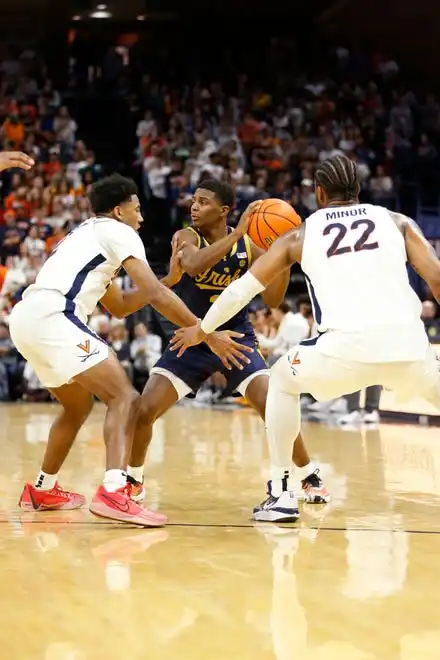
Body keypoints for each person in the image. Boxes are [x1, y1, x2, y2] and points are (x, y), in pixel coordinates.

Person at [171, 155, 440, 522]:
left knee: (281, 380)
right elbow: (437, 280)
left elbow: (239, 293)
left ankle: (282, 494)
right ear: (359, 190)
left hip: (343, 353)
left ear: (318, 192)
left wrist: (202, 329)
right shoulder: (398, 222)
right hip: (411, 351)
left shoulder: (300, 234)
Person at [9, 174, 251, 527]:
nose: (141, 218)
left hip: (27, 320)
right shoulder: (120, 232)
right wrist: (206, 332)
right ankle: (114, 491)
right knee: (125, 397)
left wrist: (168, 280)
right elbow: (153, 296)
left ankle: (43, 488)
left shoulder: (84, 235)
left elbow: (121, 305)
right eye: (137, 210)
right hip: (54, 316)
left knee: (76, 407)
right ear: (119, 211)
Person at [127, 179, 329, 516]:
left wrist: (282, 255)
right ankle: (133, 480)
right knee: (144, 410)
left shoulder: (253, 248)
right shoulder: (187, 236)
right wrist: (239, 236)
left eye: (203, 202)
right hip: (193, 337)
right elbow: (192, 265)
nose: (194, 206)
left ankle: (309, 475)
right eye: (194, 200)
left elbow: (274, 299)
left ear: (223, 210)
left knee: (273, 406)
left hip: (235, 337)